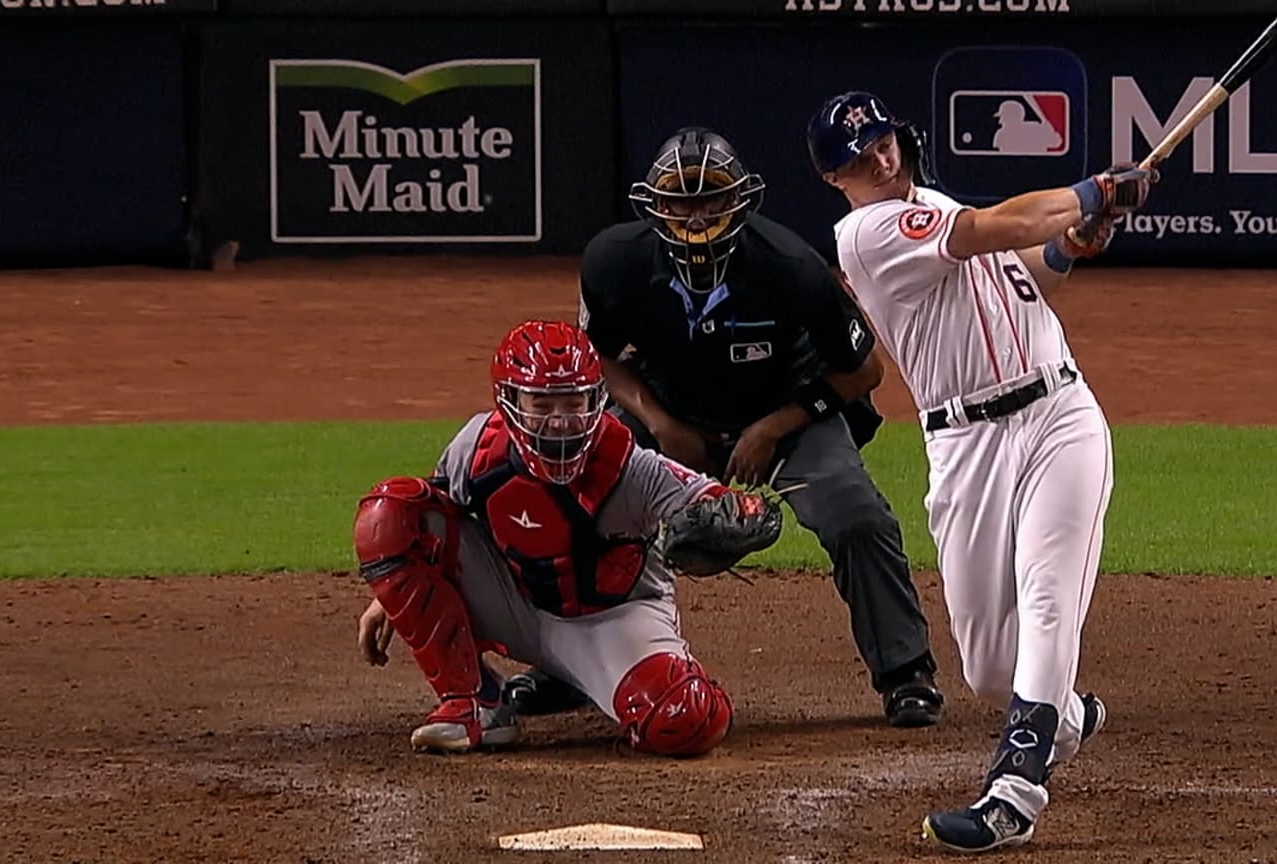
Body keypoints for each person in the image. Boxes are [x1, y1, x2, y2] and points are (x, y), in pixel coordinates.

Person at [805, 90, 1155, 851]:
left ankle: (1015, 792)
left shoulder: (929, 202)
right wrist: (1092, 191)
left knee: (1048, 596)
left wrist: (1072, 242)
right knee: (991, 670)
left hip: (1060, 418)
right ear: (835, 178)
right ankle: (1062, 714)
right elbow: (1005, 225)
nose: (882, 157)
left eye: (885, 141)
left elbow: (1023, 271)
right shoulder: (866, 234)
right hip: (965, 450)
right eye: (861, 156)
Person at [508, 125, 945, 728]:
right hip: (670, 407)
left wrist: (774, 427)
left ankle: (907, 674)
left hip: (786, 409)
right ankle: (568, 669)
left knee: (855, 515)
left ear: (741, 199)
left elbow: (863, 371)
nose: (695, 216)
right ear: (654, 205)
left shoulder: (791, 265)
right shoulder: (615, 261)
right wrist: (659, 422)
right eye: (681, 201)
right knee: (579, 495)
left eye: (710, 198)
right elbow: (594, 359)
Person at [351, 319, 780, 758]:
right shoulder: (478, 447)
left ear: (595, 401)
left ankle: (590, 679)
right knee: (388, 515)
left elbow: (731, 505)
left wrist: (735, 523)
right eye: (542, 404)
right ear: (511, 402)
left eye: (572, 403)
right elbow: (426, 524)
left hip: (613, 620)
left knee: (685, 722)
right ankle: (474, 703)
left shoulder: (630, 465)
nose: (559, 423)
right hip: (518, 603)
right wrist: (390, 596)